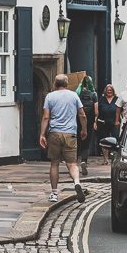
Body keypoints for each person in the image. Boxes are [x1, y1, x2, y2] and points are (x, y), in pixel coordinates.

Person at [40, 74, 87, 203]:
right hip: (70, 133)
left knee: (54, 163)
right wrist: (84, 130)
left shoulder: (50, 97)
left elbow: (45, 117)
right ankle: (77, 182)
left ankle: (54, 193)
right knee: (72, 163)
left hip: (54, 133)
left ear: (55, 83)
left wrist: (42, 134)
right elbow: (82, 114)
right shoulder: (74, 96)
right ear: (67, 84)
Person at [76, 75, 98, 176]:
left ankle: (74, 164)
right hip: (89, 121)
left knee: (77, 141)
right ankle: (84, 160)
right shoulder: (94, 94)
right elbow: (96, 110)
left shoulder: (78, 93)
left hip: (78, 120)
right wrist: (95, 121)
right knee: (87, 141)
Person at [96, 84, 119, 162]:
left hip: (114, 123)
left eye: (110, 90)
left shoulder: (117, 99)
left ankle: (114, 158)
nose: (109, 91)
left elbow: (119, 111)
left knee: (115, 139)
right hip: (103, 123)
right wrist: (95, 122)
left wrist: (118, 121)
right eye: (108, 90)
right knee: (104, 140)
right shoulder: (102, 99)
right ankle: (105, 159)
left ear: (113, 91)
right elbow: (97, 112)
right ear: (105, 91)